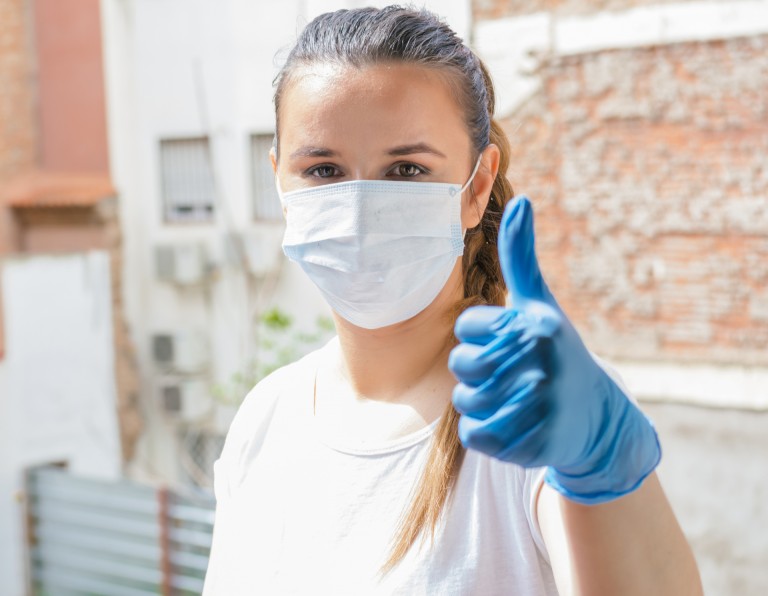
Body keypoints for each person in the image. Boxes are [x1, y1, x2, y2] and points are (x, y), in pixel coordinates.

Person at [203, 7, 702, 595]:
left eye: (407, 168)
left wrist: (605, 469)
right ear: (280, 184)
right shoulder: (266, 419)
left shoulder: (535, 413)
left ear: (478, 186)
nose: (362, 205)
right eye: (324, 169)